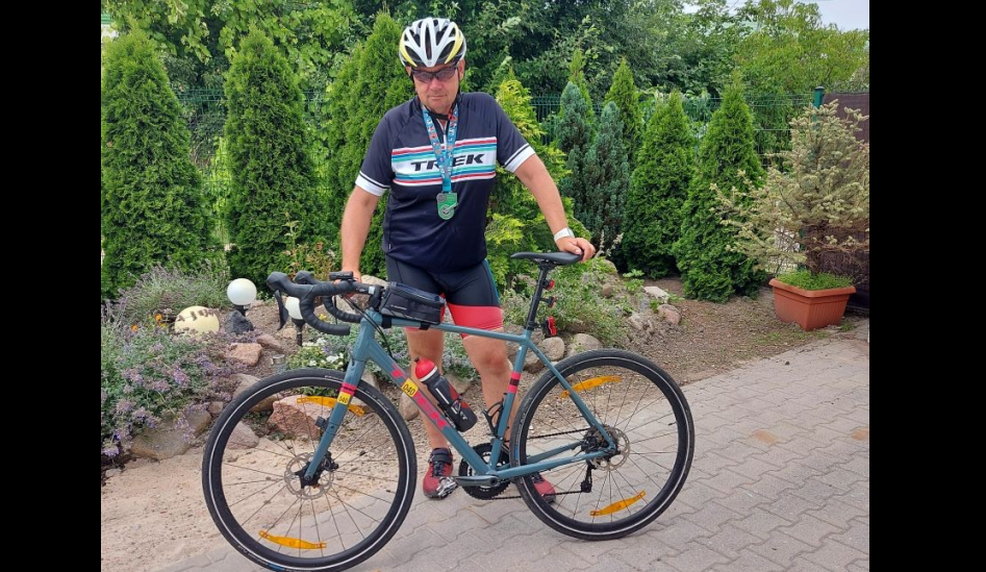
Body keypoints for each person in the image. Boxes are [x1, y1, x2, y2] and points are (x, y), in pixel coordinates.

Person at [340, 17, 596, 500]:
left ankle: (510, 457)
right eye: (422, 74)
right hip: (412, 265)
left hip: (466, 264)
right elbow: (363, 200)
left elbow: (534, 173)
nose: (434, 84)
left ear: (461, 68)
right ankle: (440, 454)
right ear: (411, 75)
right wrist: (350, 265)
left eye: (443, 72)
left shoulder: (485, 112)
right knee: (425, 365)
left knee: (493, 358)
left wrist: (562, 233)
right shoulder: (395, 125)